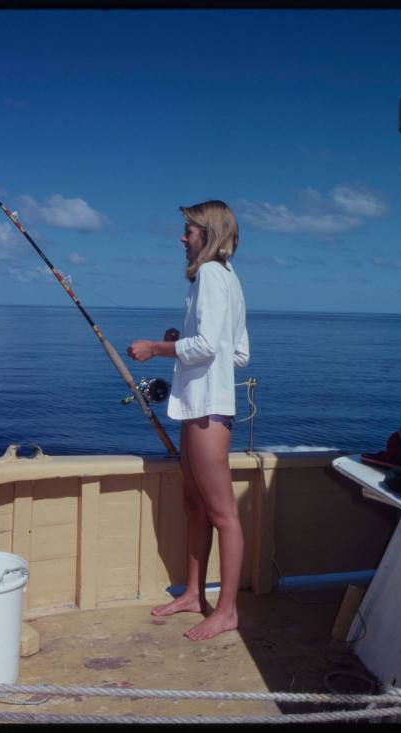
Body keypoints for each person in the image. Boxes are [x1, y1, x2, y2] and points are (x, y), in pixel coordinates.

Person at [127, 200, 249, 641]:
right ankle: (194, 595)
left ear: (209, 234)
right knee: (195, 505)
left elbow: (210, 348)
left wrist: (156, 349)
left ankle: (227, 610)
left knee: (222, 513)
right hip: (199, 405)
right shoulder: (226, 280)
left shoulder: (214, 276)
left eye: (190, 230)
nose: (182, 238)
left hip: (208, 413)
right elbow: (238, 352)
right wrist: (184, 343)